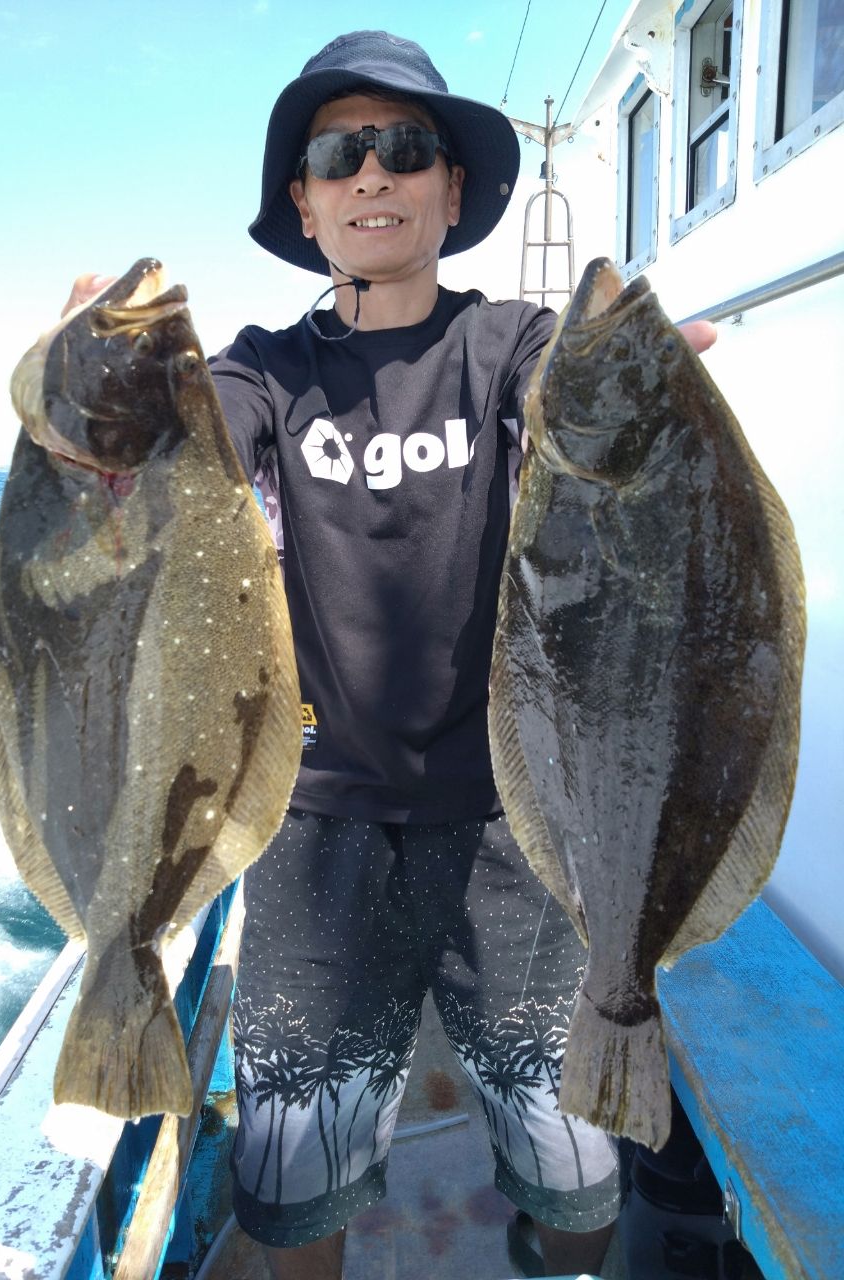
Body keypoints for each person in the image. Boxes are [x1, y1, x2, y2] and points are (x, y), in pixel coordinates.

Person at [66, 29, 715, 1280]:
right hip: (316, 831)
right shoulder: (267, 368)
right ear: (305, 203)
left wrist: (639, 395)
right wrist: (115, 407)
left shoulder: (514, 345)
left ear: (450, 190)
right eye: (339, 153)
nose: (373, 173)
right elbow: (192, 435)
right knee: (295, 1199)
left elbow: (569, 394)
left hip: (514, 826)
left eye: (404, 149)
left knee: (576, 1180)